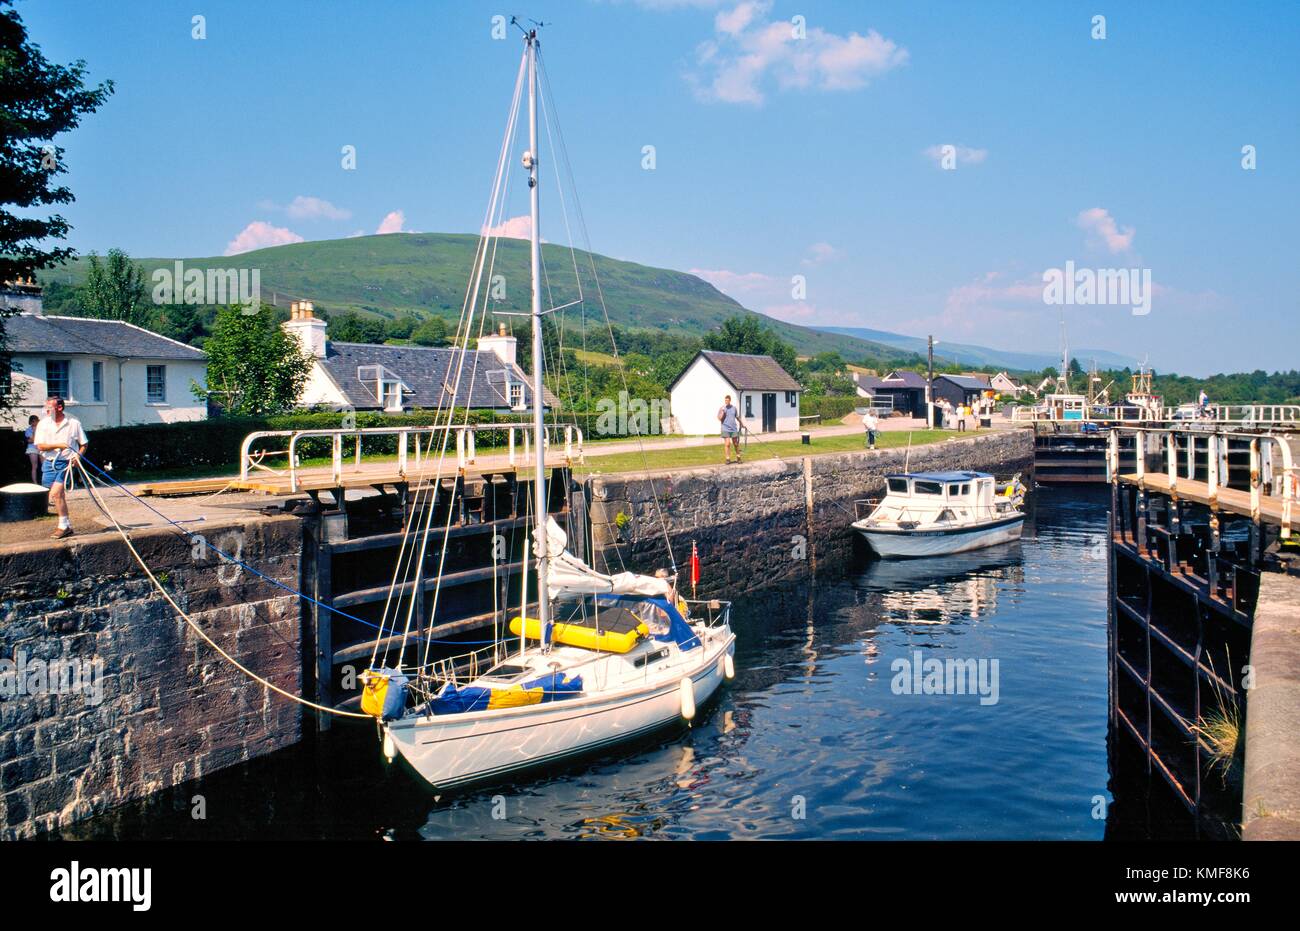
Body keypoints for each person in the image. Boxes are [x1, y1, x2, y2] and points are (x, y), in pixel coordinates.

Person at [34, 396, 88, 539]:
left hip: (67, 463)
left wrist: (78, 456)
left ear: (59, 408)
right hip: (49, 462)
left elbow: (84, 444)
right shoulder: (43, 424)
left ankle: (63, 526)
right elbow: (40, 445)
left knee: (57, 493)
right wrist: (59, 445)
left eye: (49, 407)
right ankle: (68, 525)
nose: (46, 410)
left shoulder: (74, 423)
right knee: (54, 495)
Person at [718, 394, 742, 464]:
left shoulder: (734, 408)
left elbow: (737, 417)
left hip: (733, 428)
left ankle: (738, 457)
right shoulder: (722, 408)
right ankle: (727, 459)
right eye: (725, 400)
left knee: (735, 443)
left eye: (727, 400)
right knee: (727, 444)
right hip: (725, 428)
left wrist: (742, 424)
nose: (726, 402)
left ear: (730, 401)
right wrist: (722, 412)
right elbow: (719, 418)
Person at [24, 414, 40, 484]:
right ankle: (35, 482)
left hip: (41, 447)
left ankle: (44, 481)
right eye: (33, 421)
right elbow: (32, 440)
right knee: (34, 466)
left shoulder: (41, 429)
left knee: (44, 464)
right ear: (30, 422)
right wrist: (34, 431)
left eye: (36, 421)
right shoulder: (28, 430)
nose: (34, 423)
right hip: (32, 448)